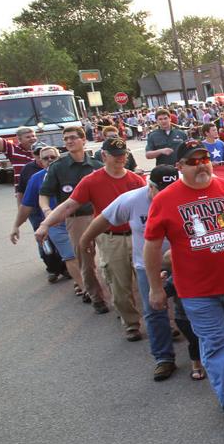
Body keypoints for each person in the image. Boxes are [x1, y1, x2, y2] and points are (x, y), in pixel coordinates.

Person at [144, 140, 224, 425]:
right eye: (193, 161)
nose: (202, 164)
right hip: (196, 292)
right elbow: (152, 246)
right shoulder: (165, 199)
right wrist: (155, 287)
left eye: (205, 158)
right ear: (180, 167)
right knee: (214, 343)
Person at [80, 165, 183, 380]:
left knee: (188, 309)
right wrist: (85, 241)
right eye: (161, 190)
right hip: (148, 265)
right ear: (150, 186)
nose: (167, 195)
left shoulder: (183, 195)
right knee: (155, 309)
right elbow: (103, 219)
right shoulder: (132, 200)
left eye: (171, 188)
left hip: (182, 263)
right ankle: (164, 358)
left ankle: (199, 356)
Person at [37, 137, 146, 338]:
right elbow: (69, 205)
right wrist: (46, 224)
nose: (120, 159)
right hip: (111, 237)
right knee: (119, 283)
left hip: (138, 236)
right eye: (115, 156)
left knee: (148, 281)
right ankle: (131, 323)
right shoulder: (91, 181)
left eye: (123, 155)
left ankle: (161, 322)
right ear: (104, 156)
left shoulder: (135, 180)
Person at [39, 126, 106, 309]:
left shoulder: (97, 166)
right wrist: (46, 211)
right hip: (77, 219)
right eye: (66, 138)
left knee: (109, 257)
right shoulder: (58, 167)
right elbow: (44, 194)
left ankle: (115, 295)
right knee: (85, 259)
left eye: (73, 138)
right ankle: (96, 297)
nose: (69, 141)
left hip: (100, 216)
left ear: (83, 140)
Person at [10, 145, 70, 283]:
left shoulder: (70, 173)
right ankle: (55, 270)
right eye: (46, 158)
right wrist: (16, 226)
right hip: (51, 224)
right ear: (41, 162)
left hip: (74, 221)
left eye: (53, 157)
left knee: (76, 255)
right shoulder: (36, 179)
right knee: (51, 252)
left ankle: (78, 279)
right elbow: (26, 206)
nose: (50, 160)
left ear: (59, 158)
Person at [0, 124, 37, 199]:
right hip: (24, 193)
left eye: (33, 136)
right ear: (19, 139)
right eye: (28, 137)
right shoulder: (13, 150)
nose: (32, 138)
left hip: (42, 190)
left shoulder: (42, 150)